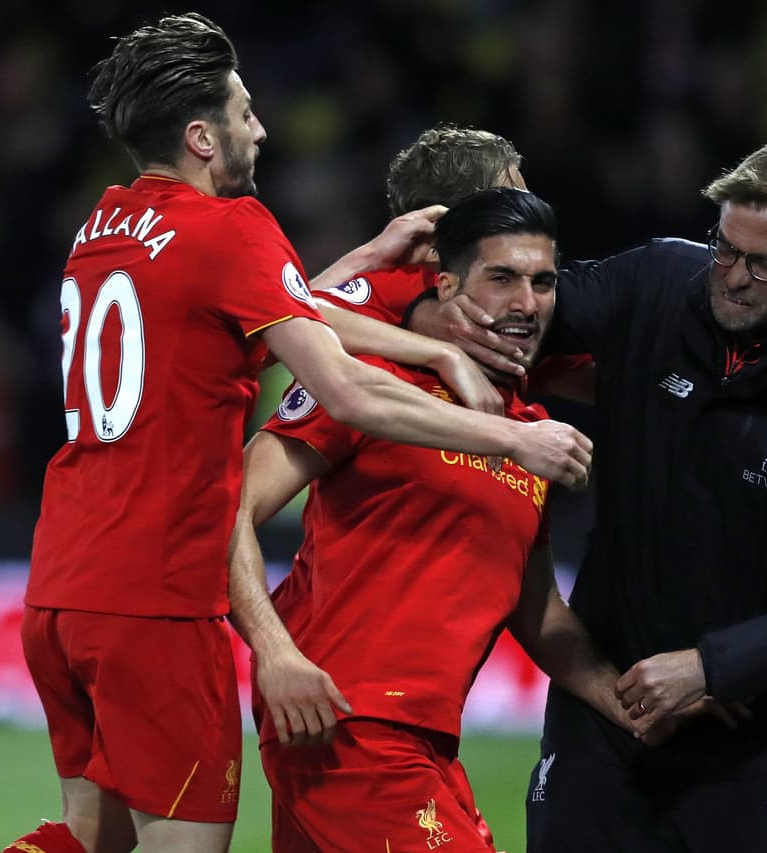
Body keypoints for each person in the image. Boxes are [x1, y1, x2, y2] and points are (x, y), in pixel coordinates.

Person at [5, 14, 592, 853]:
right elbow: (342, 386)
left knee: (89, 837)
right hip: (158, 592)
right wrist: (510, 438)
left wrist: (363, 261)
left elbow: (247, 311)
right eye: (245, 113)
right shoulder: (234, 226)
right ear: (203, 136)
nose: (261, 128)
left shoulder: (100, 230)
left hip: (60, 585)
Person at [408, 139, 767, 851]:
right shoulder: (657, 278)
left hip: (756, 737)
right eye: (726, 248)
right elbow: (511, 314)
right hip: (607, 708)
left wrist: (710, 665)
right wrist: (422, 308)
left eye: (766, 263)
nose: (734, 278)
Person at [229, 188, 636, 852]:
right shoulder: (370, 385)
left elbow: (537, 611)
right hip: (348, 722)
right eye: (501, 277)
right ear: (446, 286)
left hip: (423, 740)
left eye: (542, 282)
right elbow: (228, 507)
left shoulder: (531, 435)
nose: (525, 302)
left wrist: (626, 699)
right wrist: (273, 654)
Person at [315, 123, 594, 400]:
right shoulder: (389, 286)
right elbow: (293, 321)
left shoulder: (525, 296)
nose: (529, 214)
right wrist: (441, 353)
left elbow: (586, 380)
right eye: (512, 203)